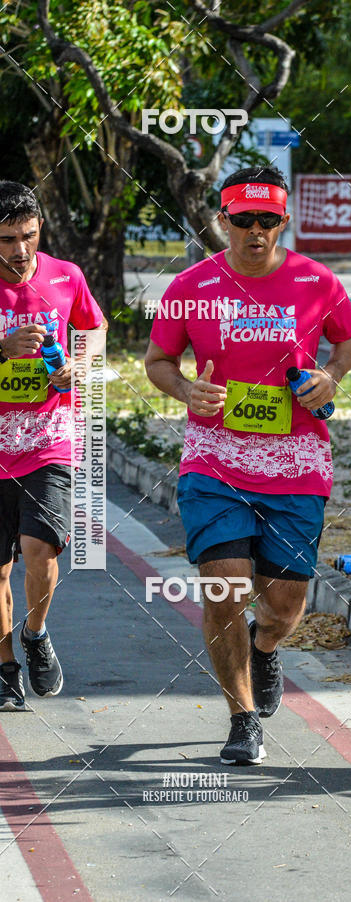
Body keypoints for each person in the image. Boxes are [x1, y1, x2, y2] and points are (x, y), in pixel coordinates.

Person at [146, 166, 351, 765]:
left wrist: (330, 375)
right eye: (242, 219)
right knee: (224, 588)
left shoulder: (316, 280)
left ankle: (265, 648)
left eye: (267, 219)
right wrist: (186, 389)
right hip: (214, 461)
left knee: (285, 605)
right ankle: (242, 718)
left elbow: (350, 338)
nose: (255, 230)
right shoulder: (191, 285)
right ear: (223, 221)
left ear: (283, 221)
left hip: (296, 463)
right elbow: (158, 359)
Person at [0, 181, 107, 710]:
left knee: (41, 549)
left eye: (28, 235)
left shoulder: (67, 276)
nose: (19, 250)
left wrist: (79, 365)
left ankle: (35, 632)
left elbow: (95, 330)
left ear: (40, 227)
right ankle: (5, 667)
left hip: (48, 439)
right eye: (6, 240)